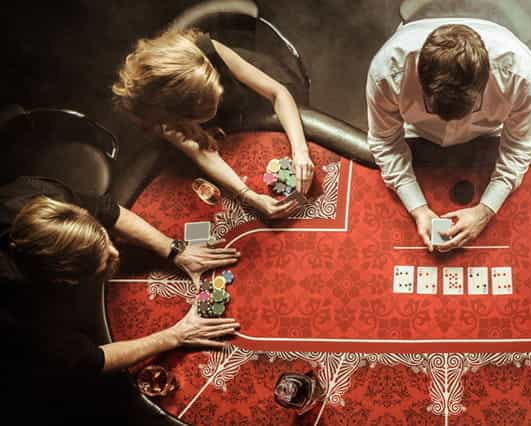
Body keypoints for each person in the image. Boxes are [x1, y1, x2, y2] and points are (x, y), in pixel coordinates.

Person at [0, 176, 240, 419]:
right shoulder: (24, 316)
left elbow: (109, 211)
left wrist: (174, 250)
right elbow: (91, 361)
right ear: (67, 282)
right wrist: (177, 335)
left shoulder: (42, 198)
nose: (115, 251)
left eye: (104, 238)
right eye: (102, 263)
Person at [367, 20, 531, 252]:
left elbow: (520, 145)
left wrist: (486, 209)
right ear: (419, 80)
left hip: (489, 136)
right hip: (418, 136)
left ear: (485, 82)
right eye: (434, 111)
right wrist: (418, 209)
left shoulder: (520, 74)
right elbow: (385, 141)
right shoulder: (388, 73)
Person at [113, 28, 314, 219]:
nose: (219, 98)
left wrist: (300, 152)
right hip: (226, 124)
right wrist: (250, 196)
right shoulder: (159, 113)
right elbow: (200, 151)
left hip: (259, 95)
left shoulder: (204, 51)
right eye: (204, 108)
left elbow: (277, 92)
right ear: (181, 117)